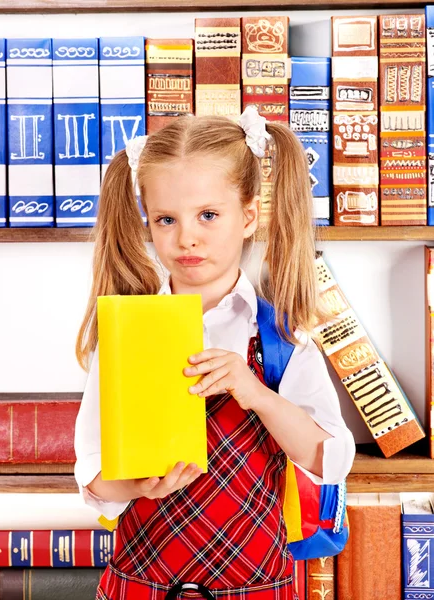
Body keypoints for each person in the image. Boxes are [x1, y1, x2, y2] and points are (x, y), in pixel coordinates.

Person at [74, 106, 356, 600]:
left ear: (248, 216)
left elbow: (330, 459)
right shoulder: (126, 336)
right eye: (166, 219)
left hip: (257, 587)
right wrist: (136, 486)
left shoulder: (280, 337)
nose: (187, 237)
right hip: (141, 585)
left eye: (208, 214)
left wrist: (256, 392)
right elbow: (94, 476)